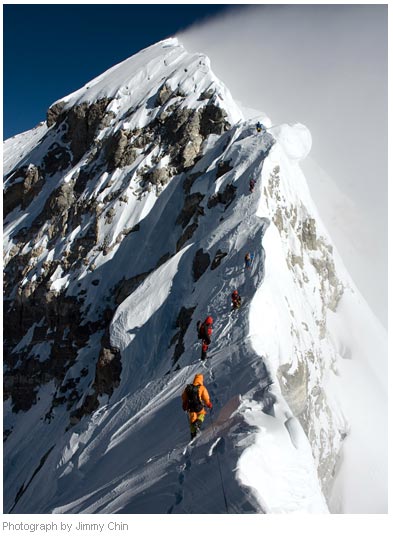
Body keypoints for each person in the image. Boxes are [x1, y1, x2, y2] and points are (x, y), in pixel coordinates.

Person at [182, 374, 212, 439]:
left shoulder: (188, 388)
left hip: (190, 408)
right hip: (198, 406)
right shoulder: (201, 387)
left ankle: (193, 434)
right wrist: (209, 404)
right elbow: (206, 398)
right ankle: (198, 422)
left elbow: (184, 397)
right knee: (202, 414)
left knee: (192, 420)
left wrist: (184, 405)